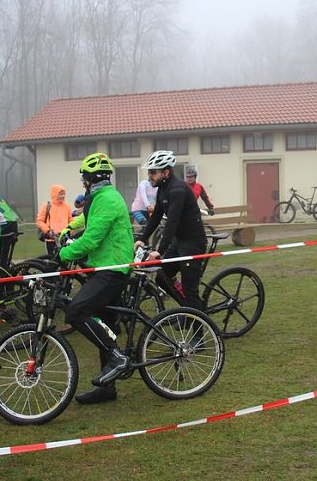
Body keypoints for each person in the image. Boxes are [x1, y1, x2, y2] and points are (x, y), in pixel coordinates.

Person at [59, 152, 134, 404]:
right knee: (107, 324)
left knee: (76, 311)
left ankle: (117, 358)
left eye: (84, 178)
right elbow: (89, 217)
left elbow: (92, 238)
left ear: (89, 178)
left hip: (112, 268)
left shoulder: (108, 199)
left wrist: (64, 252)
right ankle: (107, 389)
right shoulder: (100, 197)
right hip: (106, 266)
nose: (83, 182)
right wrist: (69, 227)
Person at [134, 150, 207, 313]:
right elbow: (156, 216)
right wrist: (143, 238)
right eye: (149, 172)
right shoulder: (163, 188)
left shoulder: (177, 189)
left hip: (193, 243)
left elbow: (172, 222)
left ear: (166, 172)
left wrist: (159, 251)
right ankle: (190, 310)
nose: (150, 176)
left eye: (153, 172)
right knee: (162, 278)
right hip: (179, 241)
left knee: (190, 291)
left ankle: (198, 334)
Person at [35, 184, 72, 256]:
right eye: (60, 194)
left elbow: (70, 220)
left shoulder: (67, 206)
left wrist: (70, 231)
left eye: (64, 194)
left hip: (64, 239)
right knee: (52, 260)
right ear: (55, 194)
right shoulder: (46, 206)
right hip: (51, 239)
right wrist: (48, 231)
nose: (63, 196)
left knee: (65, 260)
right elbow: (39, 221)